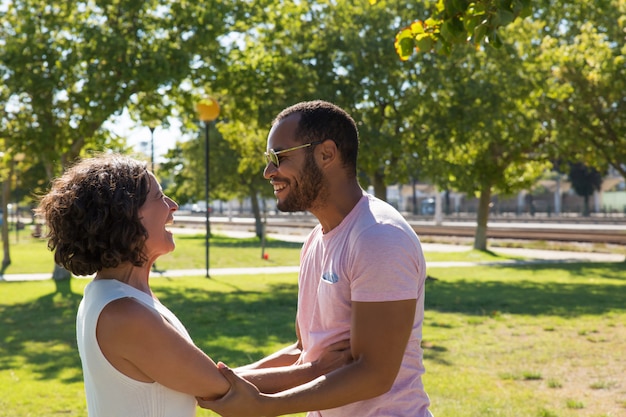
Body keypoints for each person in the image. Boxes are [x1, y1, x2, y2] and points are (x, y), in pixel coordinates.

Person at [200, 100, 433, 416]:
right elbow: (305, 352)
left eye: (279, 157)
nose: (269, 171)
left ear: (326, 154)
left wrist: (266, 406)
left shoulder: (379, 237)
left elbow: (374, 374)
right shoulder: (315, 240)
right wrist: (212, 382)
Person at [35, 154, 231, 417]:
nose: (173, 206)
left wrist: (301, 360)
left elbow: (200, 378)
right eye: (160, 197)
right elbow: (223, 388)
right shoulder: (125, 314)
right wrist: (305, 377)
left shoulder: (110, 294)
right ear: (126, 215)